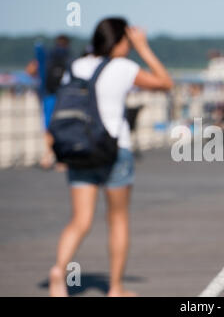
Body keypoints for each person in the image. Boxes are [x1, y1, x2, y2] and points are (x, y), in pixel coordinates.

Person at [48, 17, 173, 297]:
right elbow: (165, 83)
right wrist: (144, 48)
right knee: (117, 219)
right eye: (128, 42)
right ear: (120, 41)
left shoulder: (77, 65)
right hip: (115, 150)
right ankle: (115, 288)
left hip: (79, 149)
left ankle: (59, 270)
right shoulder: (124, 67)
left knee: (80, 220)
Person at [26, 35, 71, 169]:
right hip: (64, 96)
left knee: (48, 127)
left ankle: (47, 156)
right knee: (64, 125)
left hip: (48, 95)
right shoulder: (69, 57)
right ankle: (62, 160)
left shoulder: (48, 56)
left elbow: (30, 70)